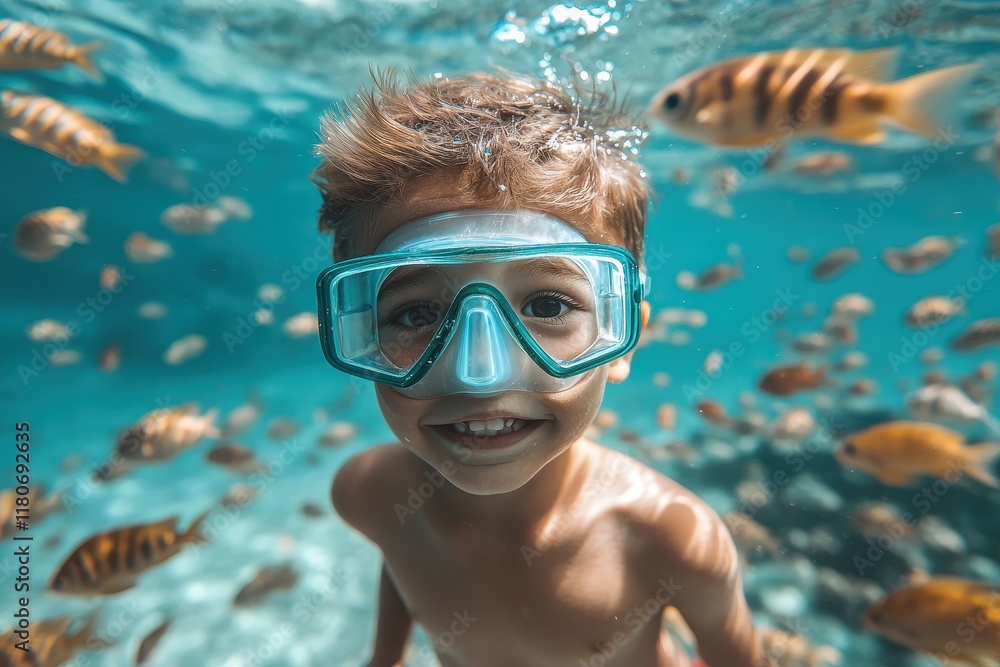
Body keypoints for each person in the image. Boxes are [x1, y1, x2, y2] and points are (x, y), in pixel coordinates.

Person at [312, 70, 770, 667]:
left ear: (622, 342)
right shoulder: (372, 495)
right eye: (417, 313)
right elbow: (405, 562)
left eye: (548, 306)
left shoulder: (670, 538)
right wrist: (386, 657)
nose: (482, 374)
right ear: (363, 339)